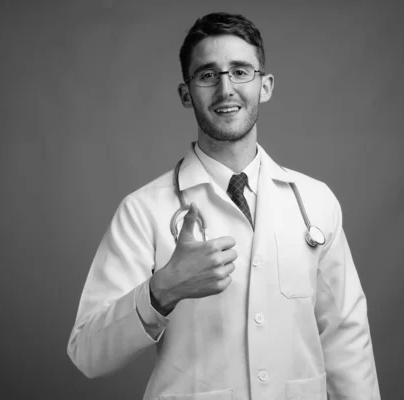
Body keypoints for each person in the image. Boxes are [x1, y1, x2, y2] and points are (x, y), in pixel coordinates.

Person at [67, 12, 380, 400]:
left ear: (264, 86)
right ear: (187, 94)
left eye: (240, 71)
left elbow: (346, 337)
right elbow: (88, 355)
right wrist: (160, 291)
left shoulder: (315, 202)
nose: (226, 88)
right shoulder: (143, 210)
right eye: (207, 74)